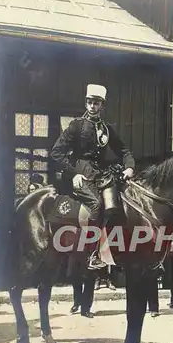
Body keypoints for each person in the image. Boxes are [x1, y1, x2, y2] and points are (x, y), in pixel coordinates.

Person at [50, 84, 135, 269]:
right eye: (89, 102)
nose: (92, 106)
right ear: (86, 103)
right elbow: (56, 153)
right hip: (81, 174)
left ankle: (114, 251)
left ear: (102, 105)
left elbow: (124, 150)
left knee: (115, 206)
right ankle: (91, 253)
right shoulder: (76, 126)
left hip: (102, 175)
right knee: (96, 204)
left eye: (96, 103)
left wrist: (129, 168)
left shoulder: (106, 128)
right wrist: (73, 173)